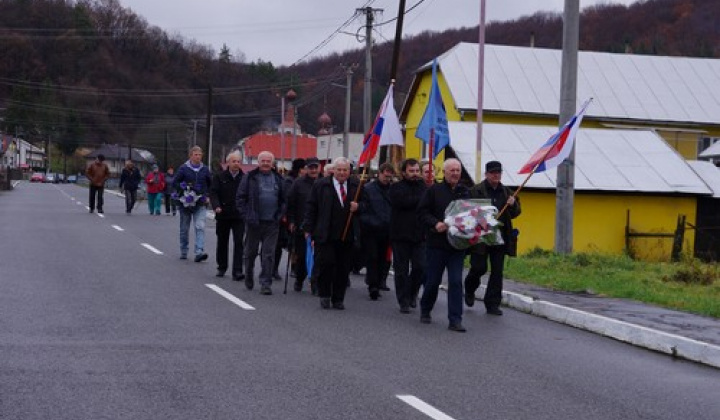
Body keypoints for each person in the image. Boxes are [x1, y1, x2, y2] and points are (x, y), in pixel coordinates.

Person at [417, 158, 470, 332]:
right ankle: (425, 309)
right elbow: (422, 213)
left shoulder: (465, 193)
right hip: (437, 244)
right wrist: (435, 224)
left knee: (455, 282)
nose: (455, 173)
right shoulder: (434, 191)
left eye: (458, 170)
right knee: (433, 281)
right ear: (444, 172)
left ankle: (455, 320)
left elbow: (472, 214)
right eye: (452, 170)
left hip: (457, 246)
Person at [464, 160, 522, 316]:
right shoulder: (475, 191)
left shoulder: (508, 192)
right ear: (487, 174)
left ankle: (493, 304)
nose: (496, 175)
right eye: (493, 173)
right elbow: (468, 212)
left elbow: (516, 213)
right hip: (481, 238)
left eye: (499, 172)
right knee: (478, 268)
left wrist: (513, 204)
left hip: (500, 238)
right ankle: (469, 288)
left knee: (497, 271)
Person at [303, 157, 359, 310]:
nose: (342, 173)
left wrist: (358, 207)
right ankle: (325, 294)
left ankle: (338, 299)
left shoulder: (357, 186)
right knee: (326, 265)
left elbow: (366, 205)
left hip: (347, 235)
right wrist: (308, 228)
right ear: (333, 170)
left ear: (349, 171)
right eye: (339, 169)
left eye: (345, 170)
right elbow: (311, 206)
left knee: (343, 268)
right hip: (325, 233)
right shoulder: (321, 185)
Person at [236, 151, 285, 295]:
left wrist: (280, 215)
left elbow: (284, 200)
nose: (265, 163)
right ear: (258, 162)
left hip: (272, 223)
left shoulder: (279, 179)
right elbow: (240, 199)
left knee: (268, 254)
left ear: (272, 163)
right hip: (254, 223)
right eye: (263, 160)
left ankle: (265, 283)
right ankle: (249, 275)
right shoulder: (249, 178)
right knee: (250, 253)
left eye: (268, 161)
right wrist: (247, 216)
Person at [389, 158, 428, 314]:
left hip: (419, 234)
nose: (415, 174)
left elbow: (427, 206)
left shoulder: (424, 187)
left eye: (417, 171)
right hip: (400, 234)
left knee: (420, 267)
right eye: (411, 171)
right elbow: (402, 202)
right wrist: (421, 201)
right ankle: (403, 300)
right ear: (404, 172)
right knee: (401, 270)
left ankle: (412, 293)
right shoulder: (396, 187)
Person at [358, 162, 394, 300]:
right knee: (372, 257)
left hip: (387, 229)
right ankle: (373, 285)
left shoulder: (393, 190)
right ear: (379, 174)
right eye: (385, 176)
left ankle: (379, 282)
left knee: (382, 259)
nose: (387, 179)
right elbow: (363, 207)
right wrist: (368, 221)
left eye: (389, 177)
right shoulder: (368, 188)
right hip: (371, 229)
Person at [286, 157, 321, 292]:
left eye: (315, 167)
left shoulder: (323, 183)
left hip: (319, 226)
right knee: (302, 255)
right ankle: (300, 278)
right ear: (306, 169)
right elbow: (291, 204)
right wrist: (292, 221)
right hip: (302, 225)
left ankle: (315, 283)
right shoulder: (298, 183)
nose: (313, 170)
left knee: (318, 256)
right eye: (310, 167)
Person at [210, 151, 245, 280]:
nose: (236, 164)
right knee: (222, 241)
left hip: (239, 215)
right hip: (223, 214)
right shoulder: (219, 177)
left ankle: (237, 270)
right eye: (234, 161)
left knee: (239, 242)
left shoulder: (244, 178)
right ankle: (222, 267)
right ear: (228, 163)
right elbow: (213, 193)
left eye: (238, 161)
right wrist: (216, 206)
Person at [174, 146, 213, 262]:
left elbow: (210, 184)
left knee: (200, 226)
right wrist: (183, 191)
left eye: (200, 155)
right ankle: (184, 250)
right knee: (184, 228)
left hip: (200, 202)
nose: (198, 157)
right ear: (190, 156)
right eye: (195, 155)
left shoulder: (205, 169)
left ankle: (199, 252)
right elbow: (175, 182)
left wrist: (208, 196)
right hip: (185, 203)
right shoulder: (183, 168)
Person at [273, 158, 306, 281]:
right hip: (286, 217)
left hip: (300, 216)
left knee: (295, 245)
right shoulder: (289, 181)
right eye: (304, 168)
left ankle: (296, 267)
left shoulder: (305, 181)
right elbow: (287, 199)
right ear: (299, 169)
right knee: (283, 243)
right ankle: (277, 268)